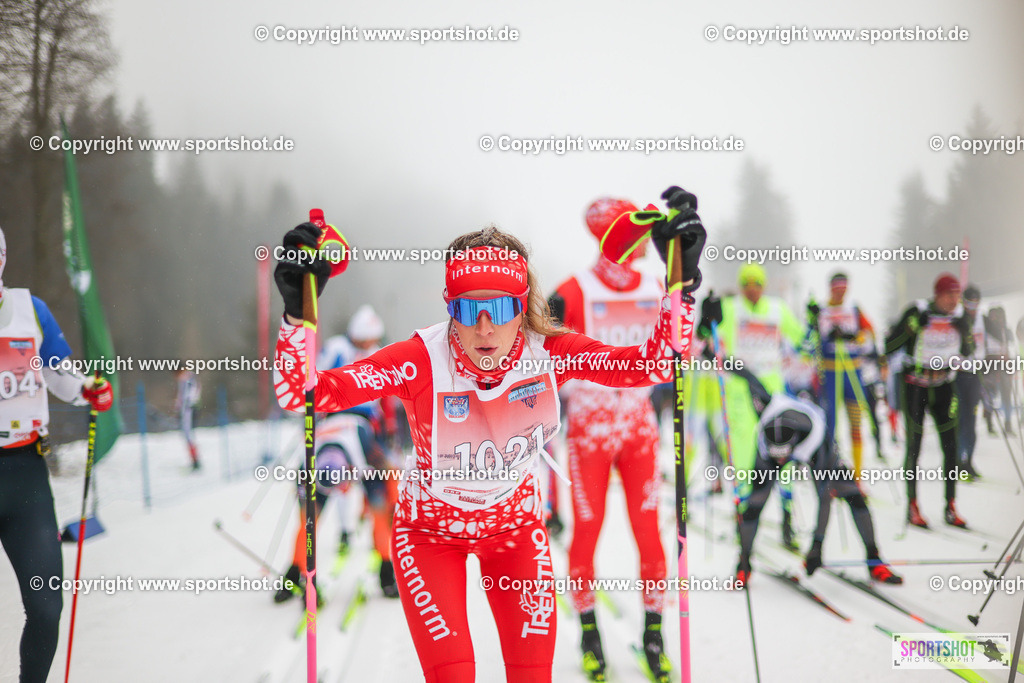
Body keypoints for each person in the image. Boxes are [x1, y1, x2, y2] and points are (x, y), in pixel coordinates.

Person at [271, 192, 705, 683]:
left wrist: (681, 286)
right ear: (449, 307)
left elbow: (653, 364)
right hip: (431, 537)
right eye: (467, 308)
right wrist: (295, 318)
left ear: (521, 306)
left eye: (499, 308)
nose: (483, 327)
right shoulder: (419, 359)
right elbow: (303, 394)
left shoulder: (550, 353)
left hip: (516, 534)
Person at [548, 197, 670, 681]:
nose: (643, 242)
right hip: (589, 431)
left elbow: (679, 345)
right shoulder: (572, 291)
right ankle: (591, 637)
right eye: (635, 232)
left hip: (639, 427)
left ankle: (654, 635)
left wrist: (701, 318)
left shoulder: (657, 283)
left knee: (650, 534)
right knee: (587, 531)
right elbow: (547, 359)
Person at [0, 226, 113, 683]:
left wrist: (89, 388)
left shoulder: (30, 310)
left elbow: (62, 376)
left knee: (47, 607)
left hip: (25, 473)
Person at [727, 368, 902, 585]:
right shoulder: (766, 418)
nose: (781, 463)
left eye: (784, 458)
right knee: (754, 503)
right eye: (777, 458)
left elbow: (825, 495)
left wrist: (816, 546)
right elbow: (748, 376)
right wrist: (716, 357)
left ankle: (875, 559)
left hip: (814, 444)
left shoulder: (819, 443)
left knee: (853, 495)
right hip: (774, 444)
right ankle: (743, 564)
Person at [698, 264, 806, 549]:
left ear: (764, 285)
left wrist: (816, 325)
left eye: (757, 283)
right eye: (746, 283)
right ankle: (743, 517)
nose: (751, 289)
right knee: (743, 457)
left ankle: (787, 519)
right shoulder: (732, 307)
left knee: (782, 455)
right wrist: (706, 315)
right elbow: (704, 337)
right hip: (739, 391)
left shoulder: (777, 308)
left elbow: (803, 340)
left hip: (773, 393)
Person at [317, 303, 400, 584]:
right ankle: (344, 530)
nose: (368, 343)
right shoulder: (337, 347)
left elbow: (386, 393)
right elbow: (314, 379)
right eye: (365, 338)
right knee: (336, 480)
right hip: (337, 422)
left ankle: (385, 562)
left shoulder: (377, 352)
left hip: (368, 426)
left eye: (372, 338)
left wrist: (390, 426)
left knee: (379, 485)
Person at [885, 273, 973, 529]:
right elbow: (889, 345)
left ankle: (950, 505)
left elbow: (967, 350)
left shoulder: (959, 317)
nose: (954, 300)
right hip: (915, 386)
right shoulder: (917, 310)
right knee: (915, 446)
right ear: (937, 294)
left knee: (951, 447)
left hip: (944, 385)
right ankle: (912, 505)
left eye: (957, 295)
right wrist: (912, 327)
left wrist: (964, 330)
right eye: (949, 295)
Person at [806, 272, 885, 477]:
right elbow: (807, 341)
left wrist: (853, 336)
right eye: (837, 289)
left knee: (856, 423)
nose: (840, 293)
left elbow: (870, 333)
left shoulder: (854, 309)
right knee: (830, 425)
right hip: (830, 374)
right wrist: (811, 318)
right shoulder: (821, 310)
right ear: (830, 288)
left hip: (852, 372)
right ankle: (829, 472)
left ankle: (858, 476)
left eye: (844, 289)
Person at [955, 285, 985, 478]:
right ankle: (959, 462)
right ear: (962, 302)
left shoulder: (982, 319)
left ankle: (969, 461)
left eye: (975, 303)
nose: (972, 307)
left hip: (976, 374)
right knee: (960, 419)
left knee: (972, 420)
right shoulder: (956, 318)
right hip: (957, 375)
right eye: (968, 303)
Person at [981, 305, 1016, 437]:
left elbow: (1011, 343)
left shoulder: (1005, 330)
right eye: (993, 316)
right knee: (990, 395)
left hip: (1004, 366)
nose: (996, 319)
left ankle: (1008, 424)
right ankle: (990, 425)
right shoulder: (985, 330)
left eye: (999, 316)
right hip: (989, 365)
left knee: (1006, 395)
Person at [174, 368, 201, 470]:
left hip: (188, 410)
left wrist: (183, 407)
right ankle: (194, 460)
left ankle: (195, 461)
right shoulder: (186, 379)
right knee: (188, 436)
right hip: (187, 409)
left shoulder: (188, 379)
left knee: (188, 435)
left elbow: (187, 395)